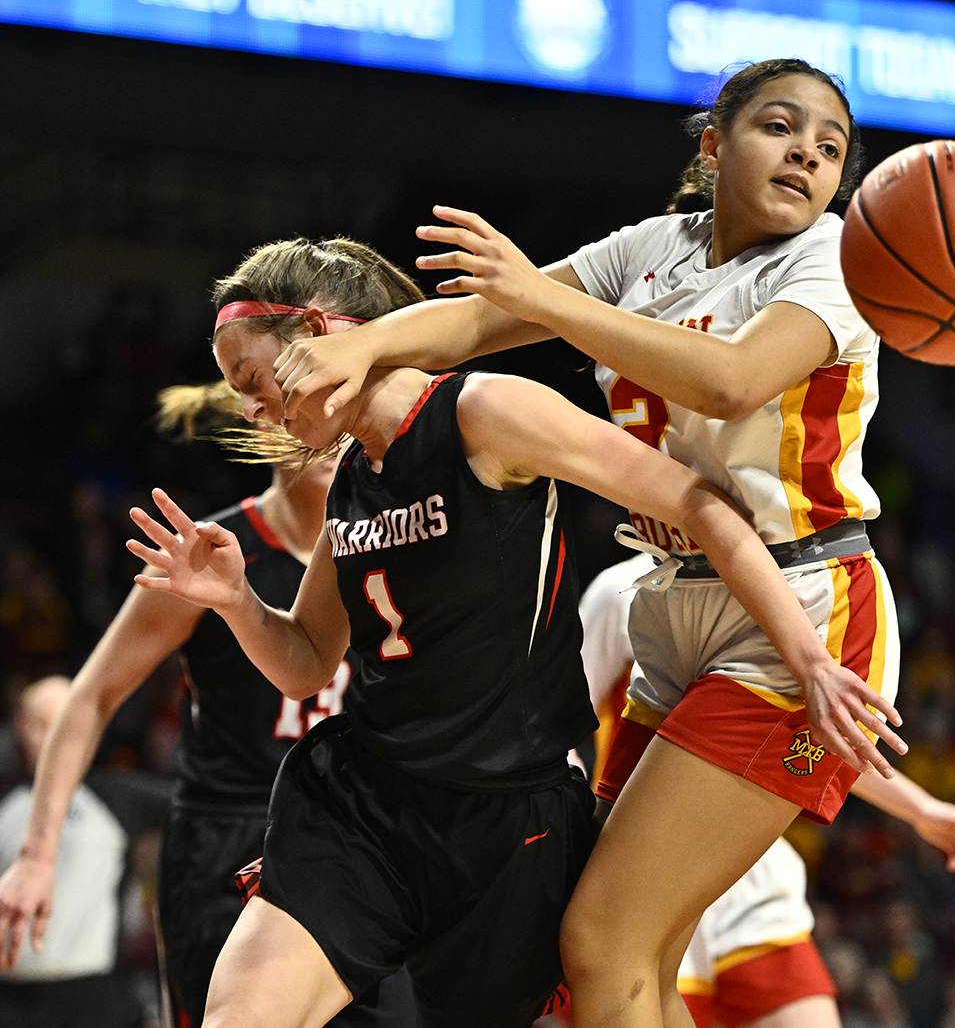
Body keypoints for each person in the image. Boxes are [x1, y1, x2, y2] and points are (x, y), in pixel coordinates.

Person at [125, 225, 904, 1028]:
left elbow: (698, 504)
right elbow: (304, 664)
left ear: (321, 333)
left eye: (252, 379)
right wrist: (234, 599)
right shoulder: (352, 480)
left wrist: (808, 654)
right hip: (365, 806)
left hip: (505, 822)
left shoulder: (483, 410)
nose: (252, 411)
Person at [271, 58, 903, 1026]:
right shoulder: (656, 248)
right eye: (779, 127)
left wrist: (546, 300)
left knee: (601, 940)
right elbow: (480, 318)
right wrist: (365, 344)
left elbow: (730, 382)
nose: (807, 155)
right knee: (626, 952)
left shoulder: (831, 258)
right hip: (676, 596)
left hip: (801, 597)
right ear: (710, 145)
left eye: (829, 148)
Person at [0, 378, 418, 1028]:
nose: (335, 433)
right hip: (231, 836)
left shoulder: (409, 543)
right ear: (269, 429)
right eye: (313, 411)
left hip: (364, 834)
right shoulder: (209, 552)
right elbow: (94, 693)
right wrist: (37, 853)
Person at [577, 556, 955, 1028]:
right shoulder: (622, 589)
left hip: (746, 855)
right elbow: (560, 720)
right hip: (648, 858)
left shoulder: (790, 583)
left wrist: (919, 809)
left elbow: (798, 740)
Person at [0, 676, 141, 1028]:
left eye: (64, 725)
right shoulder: (5, 803)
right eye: (41, 725)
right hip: (11, 995)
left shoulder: (116, 796)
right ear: (20, 726)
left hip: (92, 994)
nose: (53, 740)